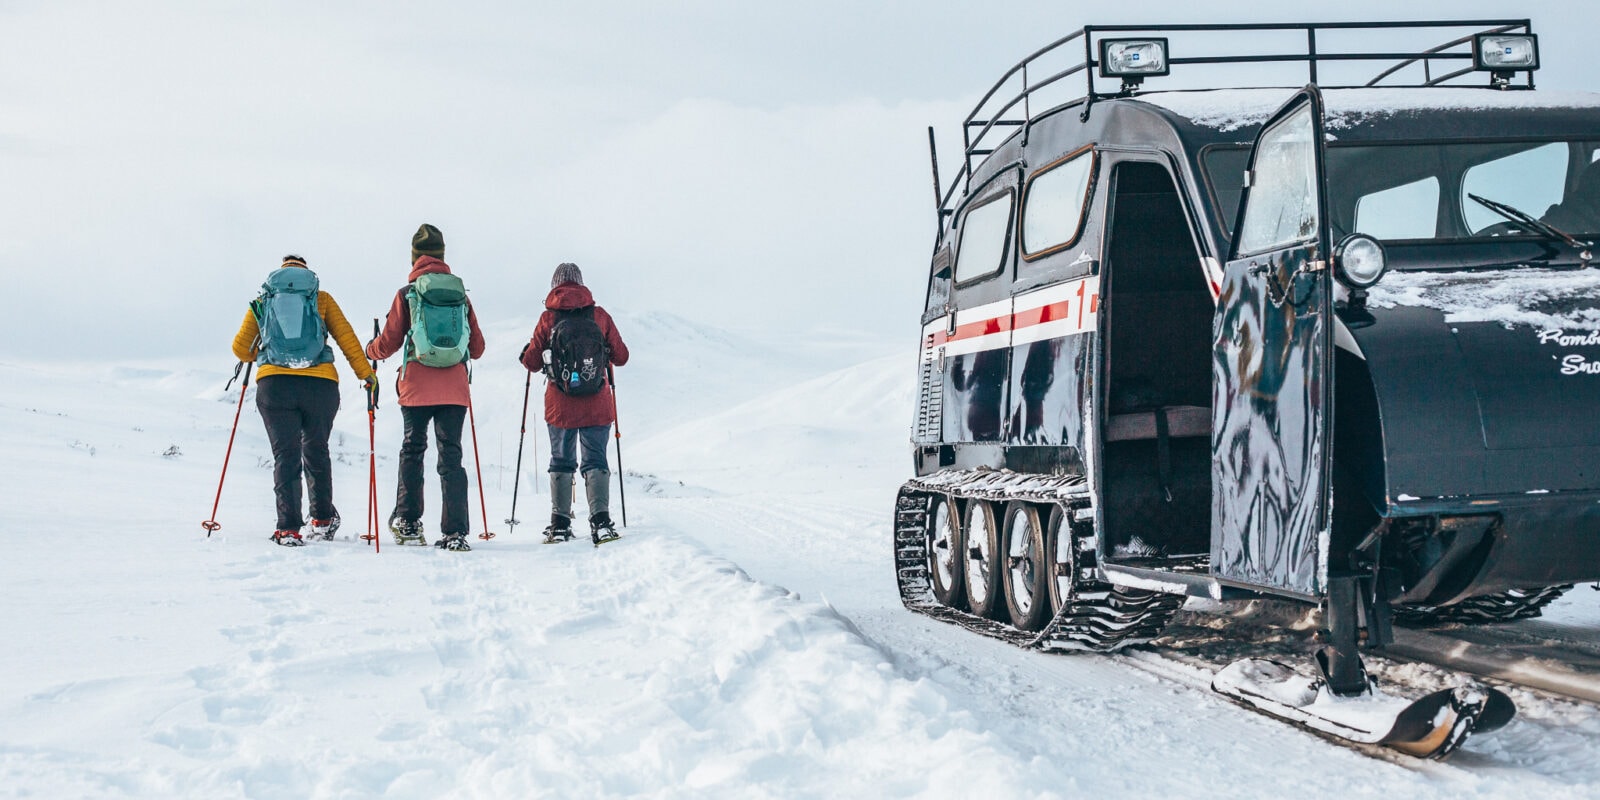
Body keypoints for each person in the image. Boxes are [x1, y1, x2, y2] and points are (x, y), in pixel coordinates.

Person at [232, 255, 377, 547]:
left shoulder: (264, 301)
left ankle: (288, 529)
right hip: (320, 385)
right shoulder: (321, 299)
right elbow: (347, 339)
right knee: (316, 449)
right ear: (307, 275)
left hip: (275, 384)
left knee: (285, 455)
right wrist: (367, 376)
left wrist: (264, 351)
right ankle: (321, 519)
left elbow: (240, 348)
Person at [365, 224, 487, 551]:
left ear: (414, 257)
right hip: (454, 390)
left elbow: (388, 343)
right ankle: (455, 532)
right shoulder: (460, 295)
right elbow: (477, 348)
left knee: (412, 450)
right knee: (451, 457)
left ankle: (408, 521)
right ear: (442, 255)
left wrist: (370, 350)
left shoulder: (407, 294)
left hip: (416, 387)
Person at [519, 262, 629, 544]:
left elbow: (532, 363)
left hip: (560, 406)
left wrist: (527, 353)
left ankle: (560, 524)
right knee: (595, 458)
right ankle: (601, 521)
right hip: (597, 404)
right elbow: (622, 357)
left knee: (561, 459)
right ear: (581, 284)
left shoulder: (548, 319)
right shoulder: (600, 316)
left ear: (555, 286)